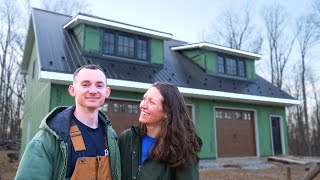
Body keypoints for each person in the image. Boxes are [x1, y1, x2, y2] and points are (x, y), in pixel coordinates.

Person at [15, 64, 121, 179]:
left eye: (99, 85)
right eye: (86, 85)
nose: (93, 91)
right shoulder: (47, 141)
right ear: (72, 90)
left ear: (107, 92)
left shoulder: (111, 137)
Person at [118, 82, 201, 180]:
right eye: (144, 99)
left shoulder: (182, 148)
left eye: (151, 102)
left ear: (167, 112)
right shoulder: (127, 138)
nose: (143, 105)